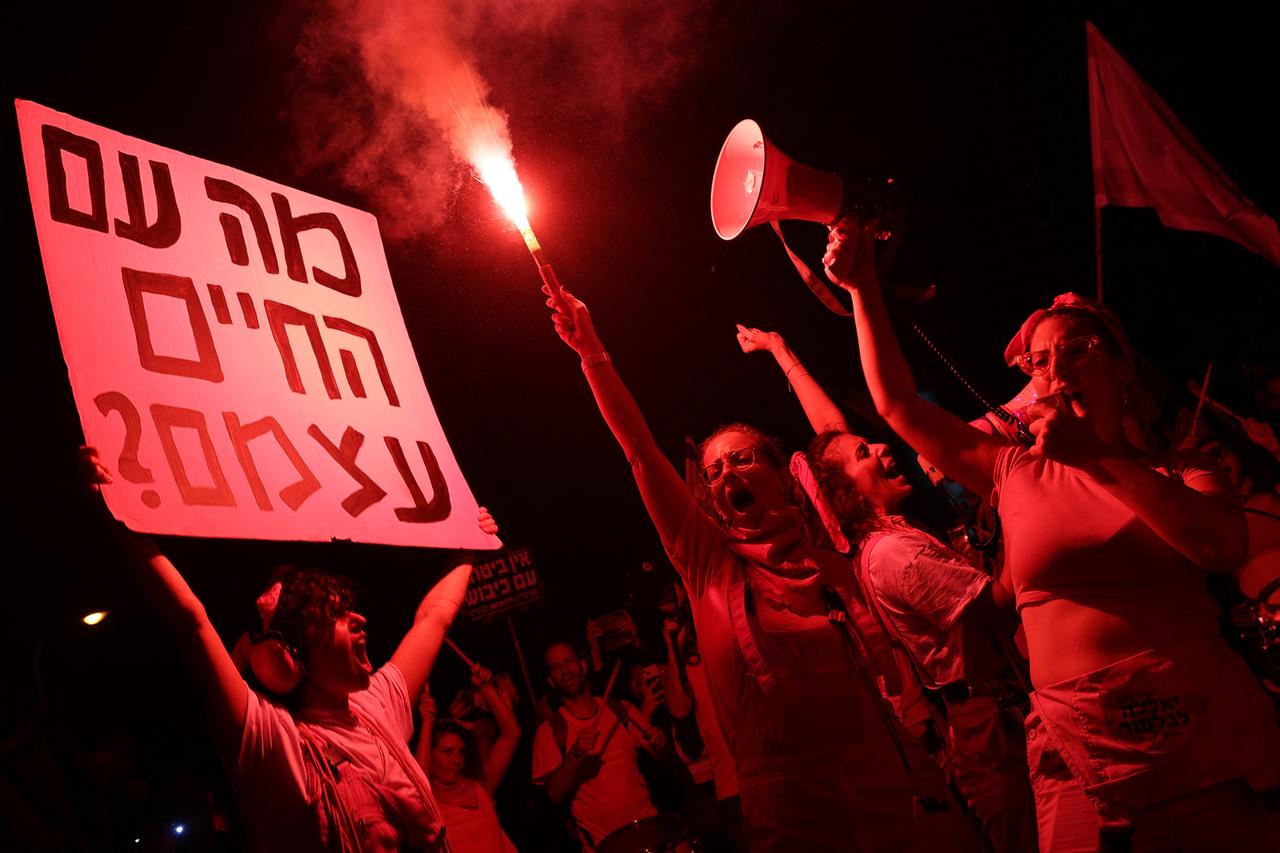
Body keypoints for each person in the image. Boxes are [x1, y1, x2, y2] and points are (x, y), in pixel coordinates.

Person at [824, 219, 1280, 849]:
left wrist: (1095, 456)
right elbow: (897, 403)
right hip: (1076, 745)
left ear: (1123, 371)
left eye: (1075, 349)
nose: (1053, 367)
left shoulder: (1183, 469)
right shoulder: (1010, 468)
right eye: (1038, 361)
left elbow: (1220, 545)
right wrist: (862, 287)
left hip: (1197, 723)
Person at [544, 283, 980, 850]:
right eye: (714, 469)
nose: (725, 473)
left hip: (892, 779)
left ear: (782, 474)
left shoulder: (825, 540)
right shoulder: (707, 563)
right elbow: (639, 451)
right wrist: (592, 354)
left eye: (741, 458)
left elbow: (833, 439)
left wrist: (783, 354)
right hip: (789, 805)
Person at [80, 446, 495, 852]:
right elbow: (192, 623)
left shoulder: (379, 705)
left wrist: (470, 543)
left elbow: (434, 617)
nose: (360, 619)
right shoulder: (272, 739)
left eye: (353, 610)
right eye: (335, 614)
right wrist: (118, 516)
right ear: (291, 657)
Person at [737, 325, 1036, 850]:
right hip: (993, 727)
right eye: (863, 455)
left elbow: (832, 435)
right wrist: (1014, 487)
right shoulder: (891, 553)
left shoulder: (883, 535)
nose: (878, 445)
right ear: (844, 494)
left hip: (991, 715)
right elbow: (1002, 602)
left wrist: (780, 350)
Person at [531, 641, 663, 849]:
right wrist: (574, 755)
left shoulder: (621, 708)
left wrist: (659, 742)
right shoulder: (549, 732)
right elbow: (553, 793)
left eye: (569, 661)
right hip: (603, 844)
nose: (565, 670)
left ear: (583, 665)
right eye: (556, 667)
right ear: (551, 680)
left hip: (648, 831)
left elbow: (662, 755)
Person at [416, 665, 521, 852]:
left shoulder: (480, 786)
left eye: (461, 752)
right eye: (448, 751)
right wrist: (427, 724)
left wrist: (486, 688)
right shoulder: (427, 802)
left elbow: (511, 734)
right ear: (430, 754)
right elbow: (419, 780)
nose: (457, 759)